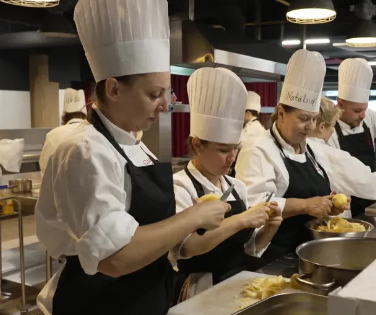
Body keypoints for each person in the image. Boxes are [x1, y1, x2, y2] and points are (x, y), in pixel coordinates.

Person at [35, 1, 230, 314]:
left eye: (168, 94)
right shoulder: (85, 151)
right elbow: (115, 258)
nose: (165, 105)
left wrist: (185, 220)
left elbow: (147, 228)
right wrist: (190, 218)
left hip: (146, 298)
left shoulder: (137, 146)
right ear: (113, 89)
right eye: (154, 94)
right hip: (102, 304)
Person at [235, 50, 376, 268]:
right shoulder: (258, 149)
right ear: (281, 113)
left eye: (314, 119)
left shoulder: (312, 149)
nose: (310, 127)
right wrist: (305, 205)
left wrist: (329, 206)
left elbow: (346, 171)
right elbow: (255, 208)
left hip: (312, 253)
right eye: (303, 119)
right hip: (274, 259)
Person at [172, 67, 282, 302]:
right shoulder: (181, 186)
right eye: (223, 150)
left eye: (235, 148)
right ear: (198, 145)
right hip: (199, 291)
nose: (232, 158)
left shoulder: (236, 186)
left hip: (238, 284)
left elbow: (247, 248)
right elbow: (188, 248)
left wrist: (269, 227)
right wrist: (242, 219)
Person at [329, 58, 376, 217]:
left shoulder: (368, 117)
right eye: (357, 110)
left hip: (371, 195)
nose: (362, 115)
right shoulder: (327, 127)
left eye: (365, 109)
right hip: (345, 202)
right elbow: (343, 176)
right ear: (341, 104)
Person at [39, 88, 87, 174]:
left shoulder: (53, 135)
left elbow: (45, 167)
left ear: (64, 117)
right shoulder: (95, 132)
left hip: (61, 185)